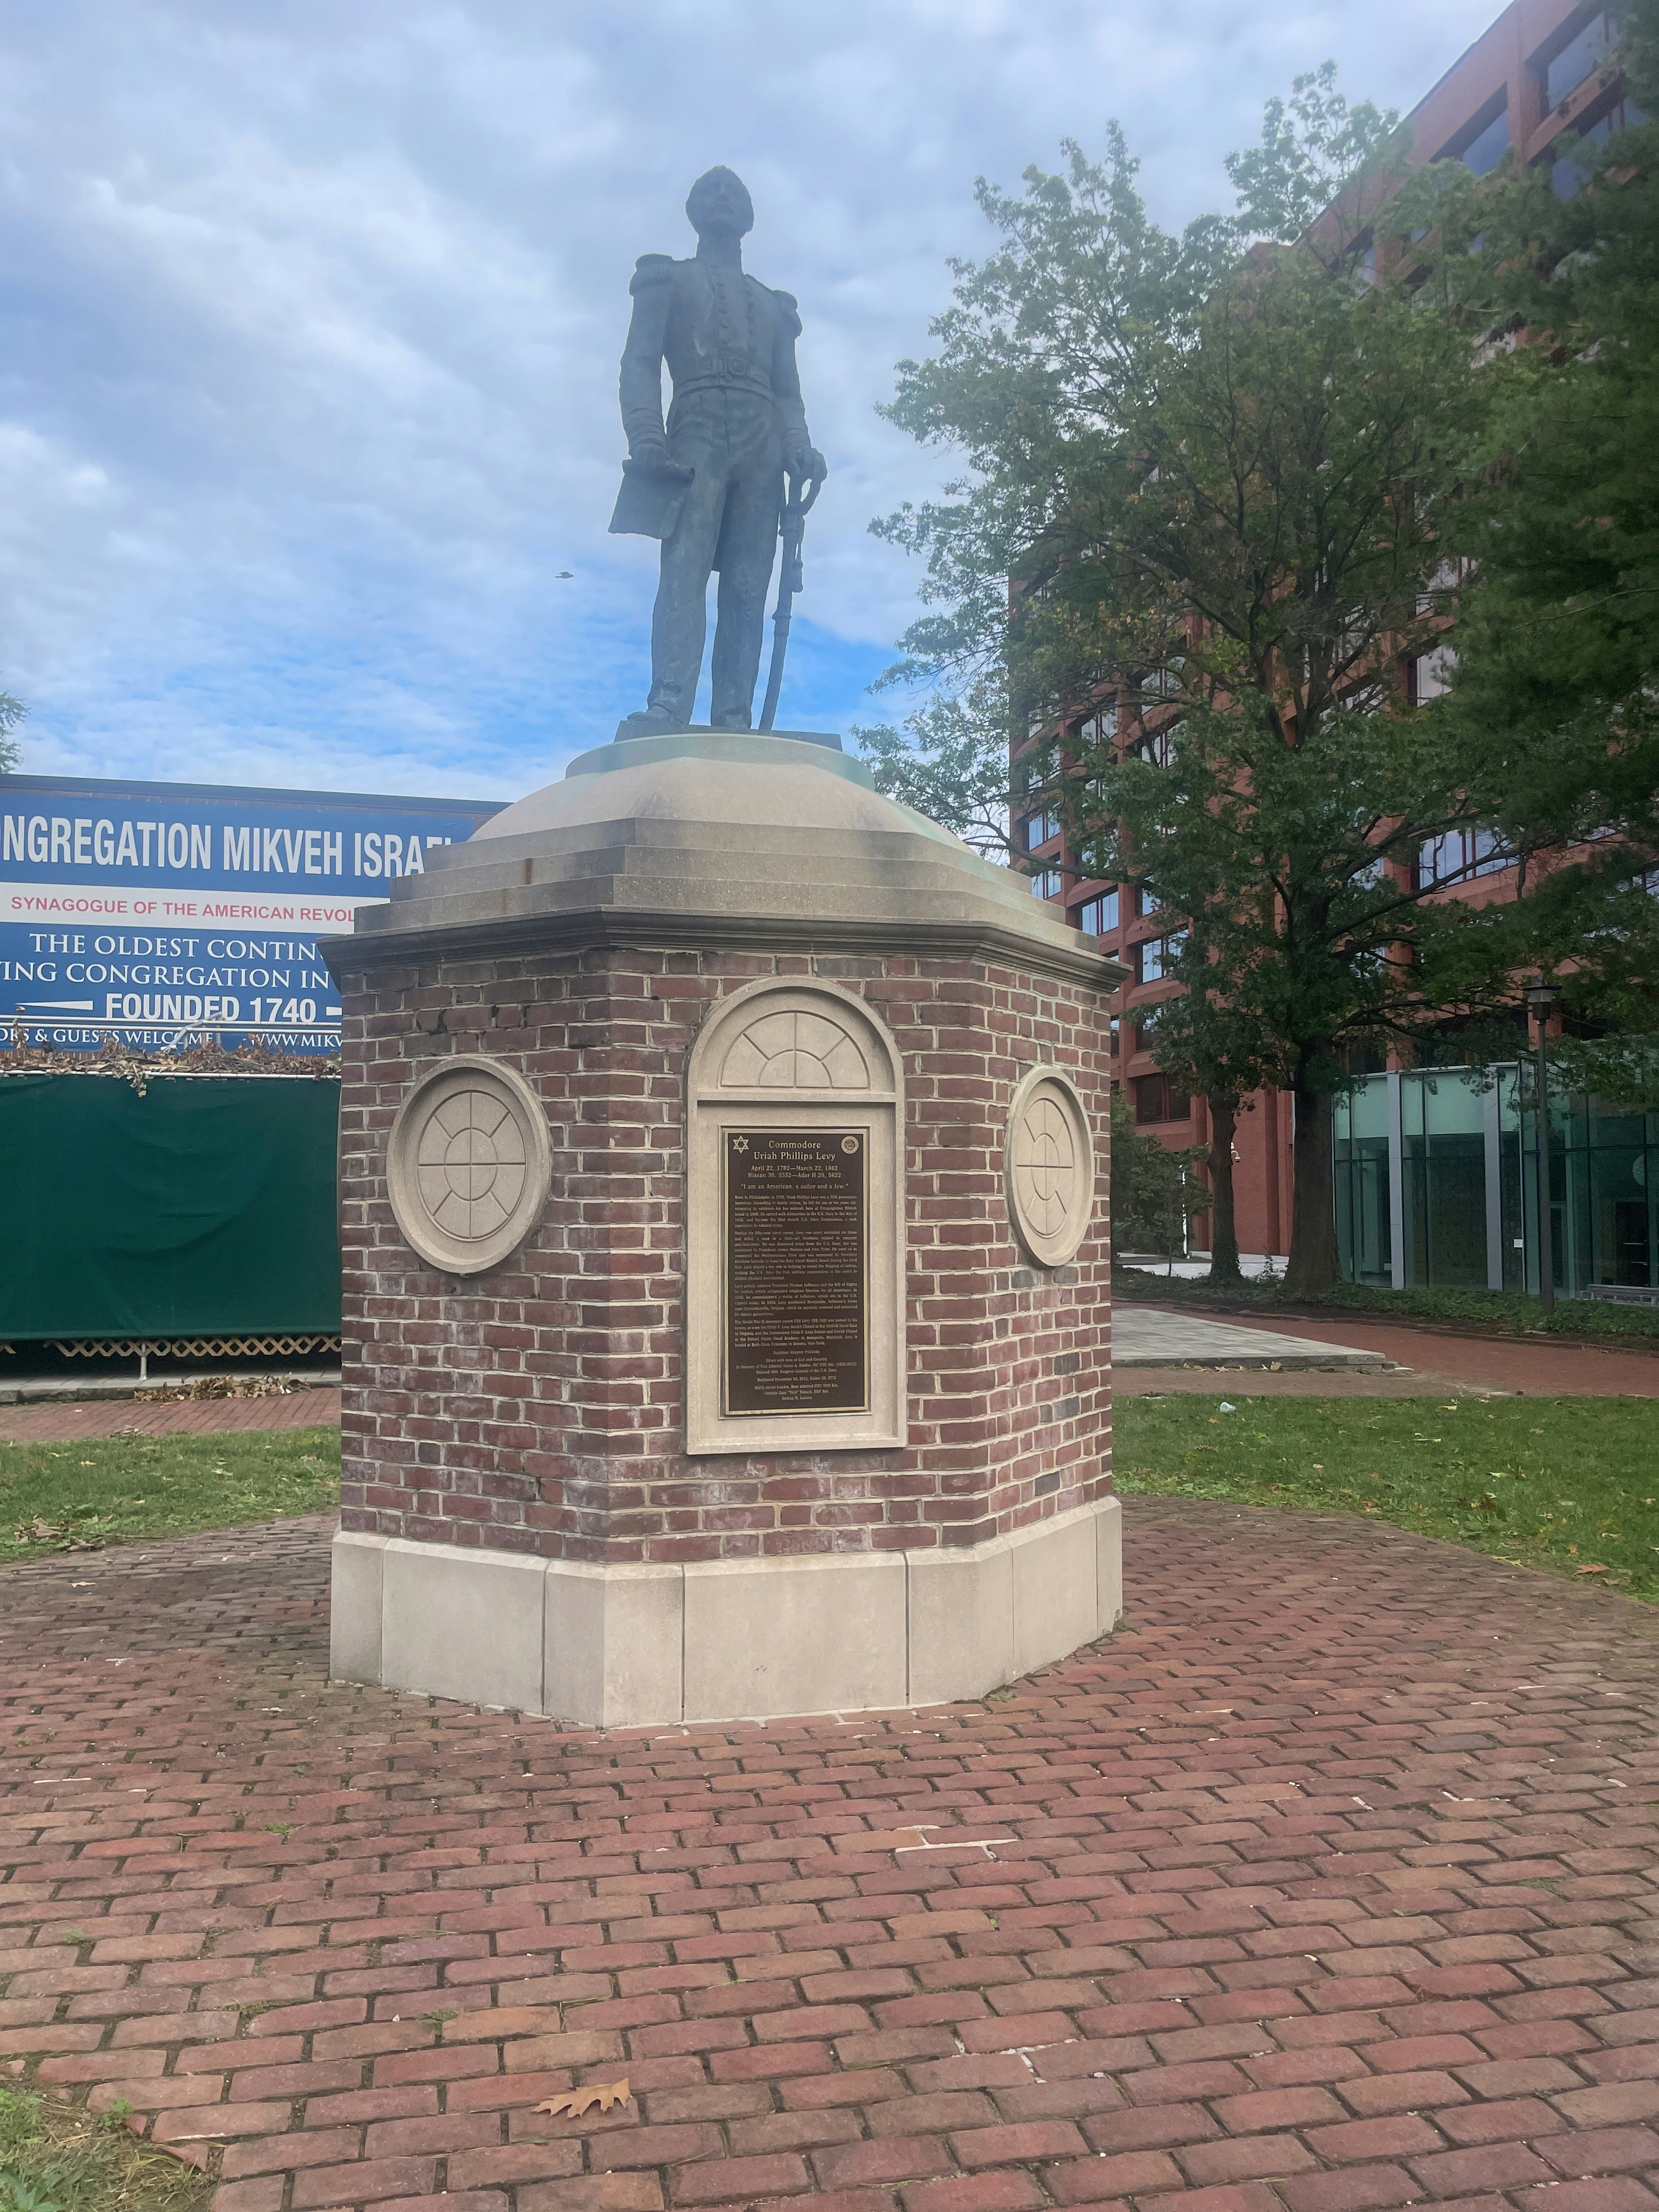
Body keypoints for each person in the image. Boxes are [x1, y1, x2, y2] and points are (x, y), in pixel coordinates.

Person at [611, 167, 827, 735]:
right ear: (694, 211)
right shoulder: (667, 280)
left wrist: (798, 447)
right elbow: (639, 364)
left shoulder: (774, 307)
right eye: (712, 191)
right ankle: (669, 702)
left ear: (750, 217)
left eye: (735, 192)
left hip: (762, 441)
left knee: (748, 584)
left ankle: (734, 713)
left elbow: (788, 392)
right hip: (697, 426)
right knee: (683, 570)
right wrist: (646, 436)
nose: (724, 197)